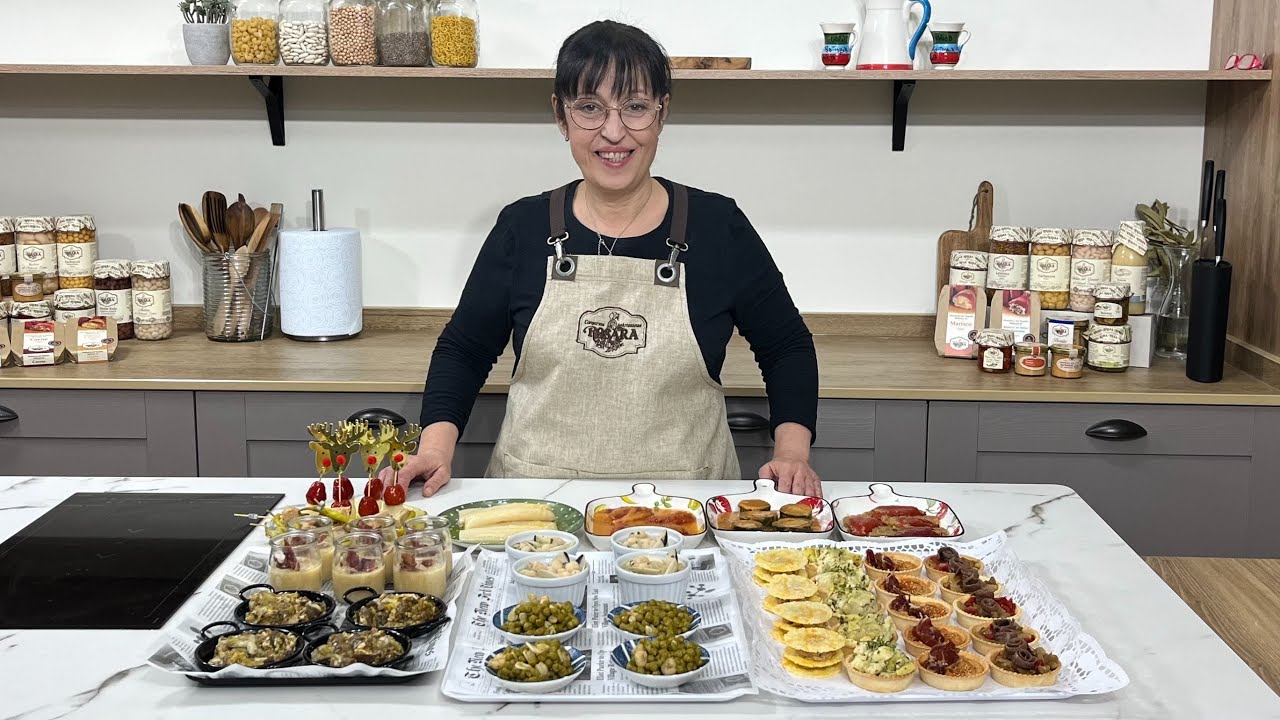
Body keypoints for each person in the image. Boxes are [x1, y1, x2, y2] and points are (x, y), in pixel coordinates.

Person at [385, 20, 820, 497]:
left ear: (662, 113)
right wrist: (434, 449)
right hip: (534, 508)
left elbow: (786, 347)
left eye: (635, 107)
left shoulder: (719, 227)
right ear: (560, 115)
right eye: (589, 108)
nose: (613, 132)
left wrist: (792, 454)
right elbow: (464, 350)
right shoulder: (522, 227)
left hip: (687, 509)